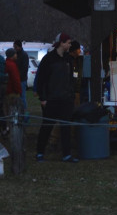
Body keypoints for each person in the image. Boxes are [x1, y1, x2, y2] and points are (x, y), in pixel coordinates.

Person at [36, 32, 79, 163]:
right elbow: (41, 79)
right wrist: (43, 98)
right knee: (47, 126)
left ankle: (66, 154)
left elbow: (71, 78)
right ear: (61, 43)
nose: (70, 45)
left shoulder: (68, 59)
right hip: (52, 99)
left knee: (65, 127)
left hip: (66, 99)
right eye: (68, 42)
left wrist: (71, 94)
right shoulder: (48, 59)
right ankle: (39, 153)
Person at [4, 48, 22, 115]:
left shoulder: (5, 63)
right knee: (13, 108)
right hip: (12, 91)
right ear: (12, 55)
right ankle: (11, 123)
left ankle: (7, 124)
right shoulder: (12, 65)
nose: (16, 55)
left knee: (7, 108)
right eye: (15, 54)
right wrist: (19, 91)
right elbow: (15, 79)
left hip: (7, 89)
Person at [13, 40, 29, 112]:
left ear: (19, 46)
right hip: (16, 79)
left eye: (15, 47)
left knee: (22, 97)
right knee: (16, 97)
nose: (14, 48)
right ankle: (19, 112)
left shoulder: (24, 55)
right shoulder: (15, 54)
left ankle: (24, 112)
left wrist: (18, 76)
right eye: (14, 47)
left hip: (22, 79)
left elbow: (24, 69)